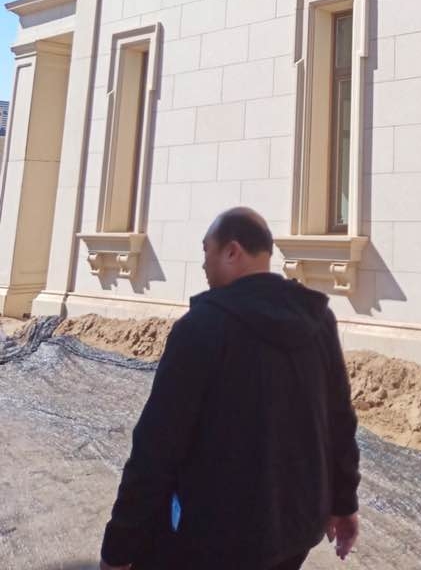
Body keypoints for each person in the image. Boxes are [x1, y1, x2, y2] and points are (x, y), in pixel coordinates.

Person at [99, 207, 360, 570]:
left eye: (206, 251)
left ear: (232, 251)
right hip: (296, 532)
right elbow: (340, 421)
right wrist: (343, 503)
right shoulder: (317, 321)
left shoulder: (201, 327)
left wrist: (119, 547)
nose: (203, 264)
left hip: (217, 541)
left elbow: (157, 447)